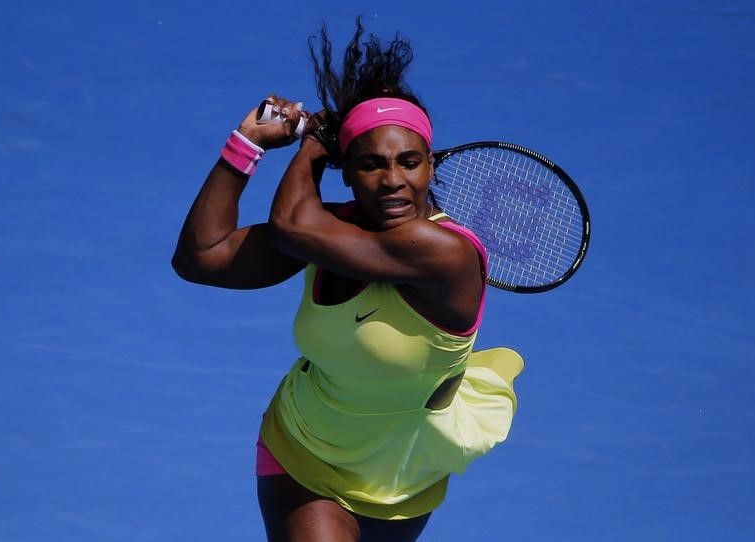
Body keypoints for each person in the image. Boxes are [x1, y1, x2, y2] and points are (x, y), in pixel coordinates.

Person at [172, 18, 523, 542]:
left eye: (410, 162)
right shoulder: (326, 234)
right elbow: (201, 257)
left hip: (402, 476)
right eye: (370, 164)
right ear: (349, 170)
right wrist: (246, 143)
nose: (393, 181)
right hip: (302, 450)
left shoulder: (443, 253)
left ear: (432, 165)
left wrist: (313, 141)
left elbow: (292, 225)